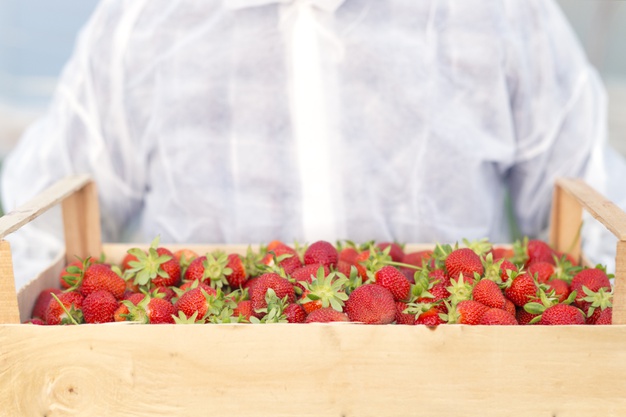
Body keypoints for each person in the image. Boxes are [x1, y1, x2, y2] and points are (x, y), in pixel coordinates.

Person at [2, 0, 626, 288]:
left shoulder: (499, 14)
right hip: (198, 384)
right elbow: (34, 233)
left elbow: (599, 219)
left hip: (453, 379)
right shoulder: (139, 24)